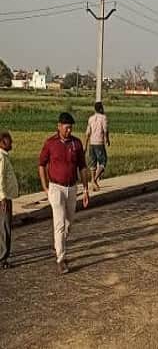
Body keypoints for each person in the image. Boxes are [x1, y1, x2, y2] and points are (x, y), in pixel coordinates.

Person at [38, 112, 89, 274]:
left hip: (72, 188)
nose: (69, 130)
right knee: (59, 223)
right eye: (66, 127)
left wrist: (86, 189)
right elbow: (41, 164)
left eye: (71, 128)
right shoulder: (50, 143)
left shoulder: (76, 143)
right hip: (56, 188)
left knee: (69, 223)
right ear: (59, 126)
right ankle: (61, 259)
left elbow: (82, 167)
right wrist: (45, 187)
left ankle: (59, 245)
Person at [0, 131, 18, 269]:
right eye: (8, 140)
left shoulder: (4, 157)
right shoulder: (1, 158)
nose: (11, 143)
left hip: (4, 197)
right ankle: (2, 258)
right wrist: (3, 197)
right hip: (3, 199)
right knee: (4, 227)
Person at [85, 101, 110, 191]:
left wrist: (85, 144)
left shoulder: (90, 118)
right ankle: (94, 180)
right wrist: (107, 139)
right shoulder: (103, 118)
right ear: (101, 108)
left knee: (93, 162)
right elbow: (105, 130)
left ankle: (93, 180)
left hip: (92, 142)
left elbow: (87, 133)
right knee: (103, 161)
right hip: (99, 143)